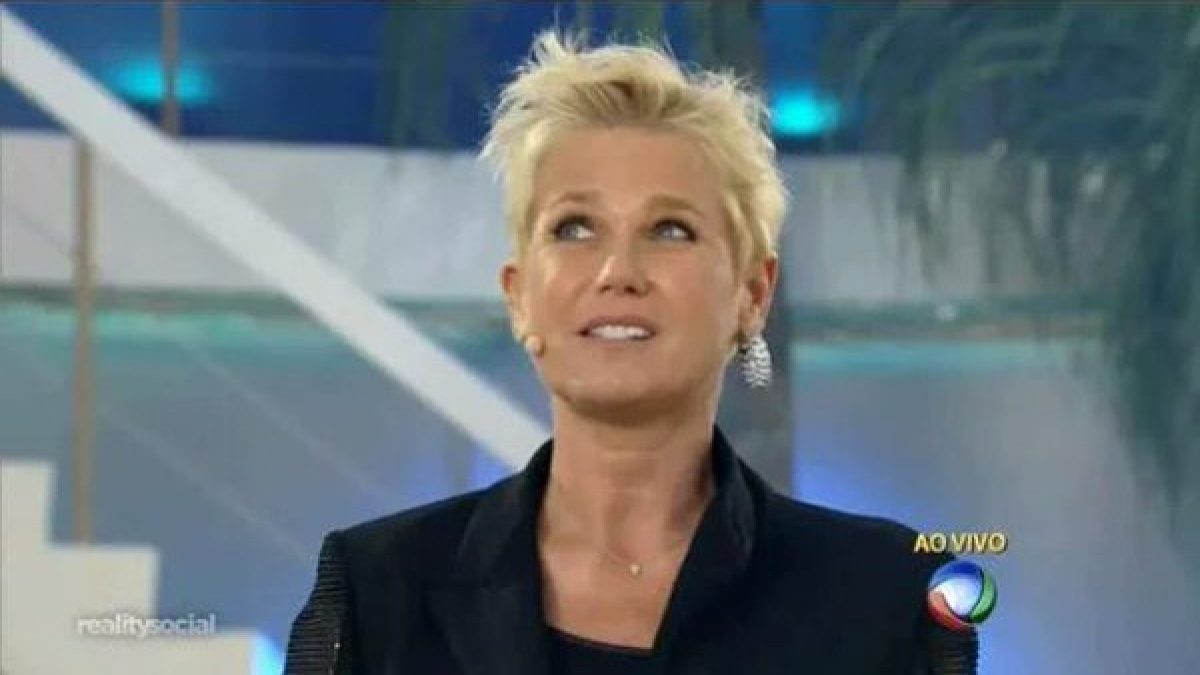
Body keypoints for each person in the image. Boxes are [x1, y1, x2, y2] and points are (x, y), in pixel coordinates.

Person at [285, 31, 978, 675]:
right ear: (520, 296)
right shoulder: (378, 588)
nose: (618, 271)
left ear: (752, 294)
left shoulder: (885, 595)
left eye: (670, 229)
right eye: (574, 227)